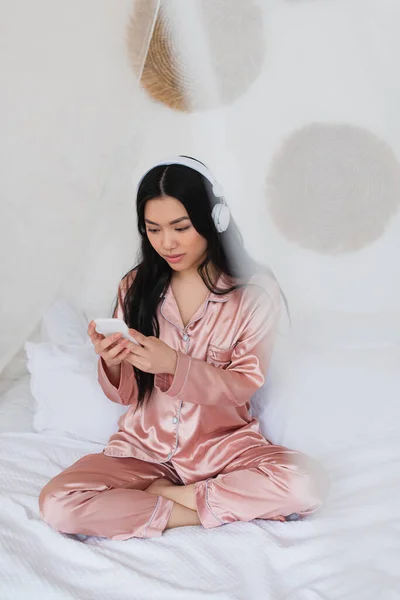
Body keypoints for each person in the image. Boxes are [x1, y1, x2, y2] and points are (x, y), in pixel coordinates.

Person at [39, 156, 324, 540]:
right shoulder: (135, 287)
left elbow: (244, 383)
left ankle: (172, 497)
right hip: (142, 451)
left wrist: (174, 362)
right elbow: (126, 394)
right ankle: (193, 508)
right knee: (58, 503)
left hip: (224, 450)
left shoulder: (254, 293)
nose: (166, 243)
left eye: (180, 227)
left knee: (308, 484)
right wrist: (110, 362)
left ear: (213, 220)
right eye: (153, 230)